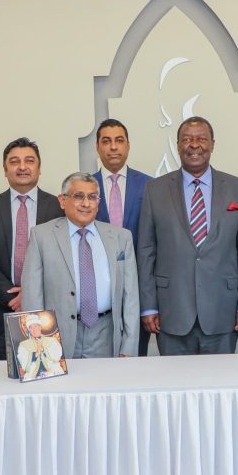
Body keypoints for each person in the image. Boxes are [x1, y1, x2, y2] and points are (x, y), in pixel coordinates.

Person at [137, 116, 238, 355]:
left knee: (220, 386)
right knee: (174, 387)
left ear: (212, 144)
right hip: (171, 312)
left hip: (223, 312)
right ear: (177, 145)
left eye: (201, 139)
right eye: (187, 139)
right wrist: (148, 306)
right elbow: (146, 251)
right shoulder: (155, 190)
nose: (194, 145)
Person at [21, 172, 139, 358]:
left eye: (92, 197)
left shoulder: (121, 237)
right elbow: (32, 296)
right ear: (62, 200)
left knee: (106, 387)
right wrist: (37, 345)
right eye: (78, 196)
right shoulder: (41, 236)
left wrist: (129, 346)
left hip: (107, 333)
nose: (86, 203)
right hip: (56, 336)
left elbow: (131, 297)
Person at [0, 138, 62, 360]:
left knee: (46, 370)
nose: (22, 167)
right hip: (1, 307)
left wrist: (30, 292)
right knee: (6, 376)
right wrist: (12, 296)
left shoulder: (58, 207)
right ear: (5, 170)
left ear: (39, 168)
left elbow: (61, 259)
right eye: (14, 162)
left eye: (29, 161)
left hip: (46, 307)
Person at [93, 118, 153, 355]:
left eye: (119, 140)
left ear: (128, 145)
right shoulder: (87, 188)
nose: (113, 147)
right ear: (97, 147)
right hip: (97, 292)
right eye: (106, 141)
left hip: (138, 287)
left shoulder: (150, 186)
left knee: (134, 358)